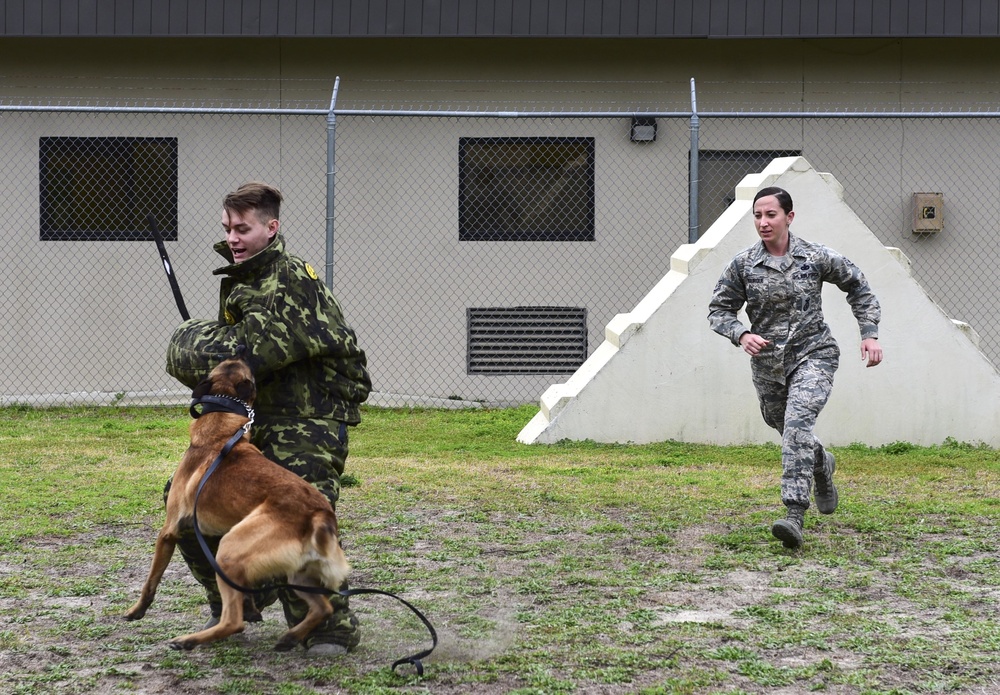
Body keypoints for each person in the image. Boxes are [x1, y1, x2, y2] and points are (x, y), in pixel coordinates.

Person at [164, 181, 372, 654]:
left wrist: (186, 337)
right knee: (185, 504)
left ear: (271, 227)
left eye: (243, 228)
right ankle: (240, 595)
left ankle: (329, 627)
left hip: (309, 418)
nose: (233, 238)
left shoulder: (289, 277)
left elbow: (249, 352)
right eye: (227, 228)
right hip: (258, 419)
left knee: (297, 512)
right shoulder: (247, 279)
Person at [708, 186, 882, 550]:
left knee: (797, 425)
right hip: (768, 365)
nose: (763, 222)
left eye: (770, 215)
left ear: (789, 217)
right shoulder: (743, 265)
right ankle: (822, 463)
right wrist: (740, 334)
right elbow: (718, 311)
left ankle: (794, 514)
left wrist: (869, 333)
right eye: (757, 215)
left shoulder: (816, 257)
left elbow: (859, 286)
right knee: (785, 427)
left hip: (814, 354)